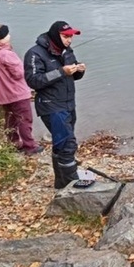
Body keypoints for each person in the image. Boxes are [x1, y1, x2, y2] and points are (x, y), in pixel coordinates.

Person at [24, 21, 86, 188]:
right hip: (50, 105)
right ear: (54, 35)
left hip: (68, 103)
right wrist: (61, 72)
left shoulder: (67, 52)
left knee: (60, 144)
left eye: (71, 36)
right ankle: (73, 185)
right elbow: (33, 81)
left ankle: (60, 184)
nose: (69, 40)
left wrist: (79, 71)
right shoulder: (35, 54)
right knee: (68, 144)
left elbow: (72, 77)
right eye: (65, 36)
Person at [0, 24, 43, 155]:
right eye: (7, 34)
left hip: (4, 96)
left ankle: (13, 143)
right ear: (2, 38)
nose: (9, 35)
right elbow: (19, 74)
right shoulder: (6, 54)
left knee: (11, 119)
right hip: (17, 94)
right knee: (25, 119)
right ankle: (30, 146)